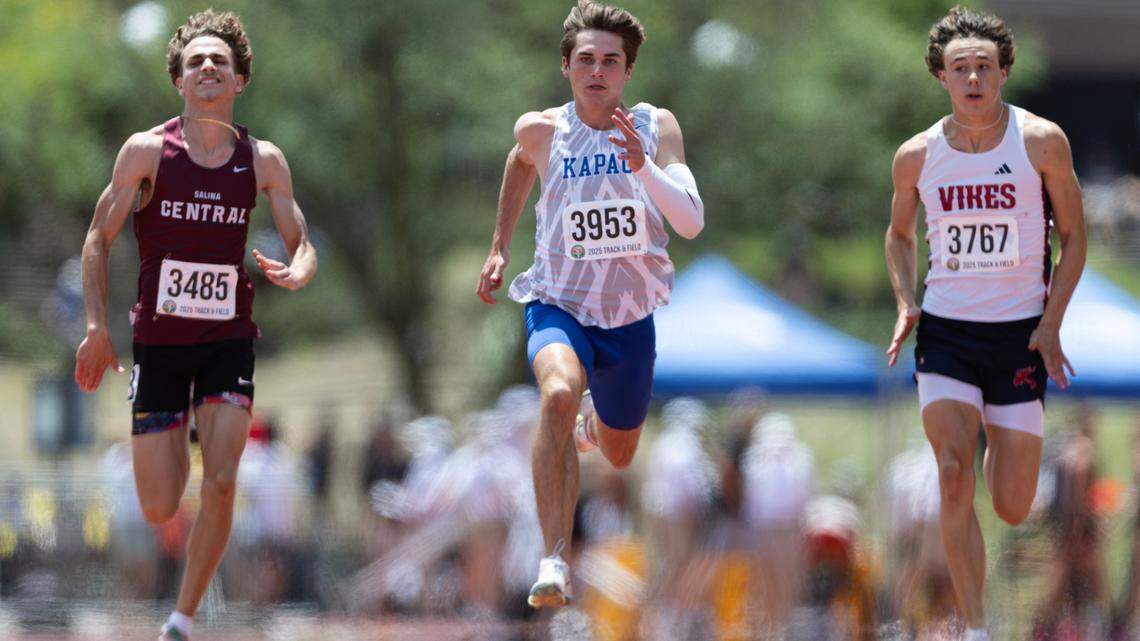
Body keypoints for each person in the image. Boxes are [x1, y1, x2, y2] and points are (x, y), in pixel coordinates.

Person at [73, 10, 317, 640]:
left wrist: (299, 269)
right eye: (195, 62)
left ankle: (181, 618)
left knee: (226, 477)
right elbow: (97, 240)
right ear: (178, 81)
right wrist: (96, 327)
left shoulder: (262, 160)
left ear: (239, 81)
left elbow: (302, 240)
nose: (208, 68)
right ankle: (176, 432)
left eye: (220, 62)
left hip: (226, 340)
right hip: (158, 346)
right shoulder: (148, 151)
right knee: (158, 504)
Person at [475, 0, 705, 608]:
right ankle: (553, 556)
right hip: (559, 302)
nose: (597, 71)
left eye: (610, 61)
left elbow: (691, 222)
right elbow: (520, 161)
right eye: (585, 60)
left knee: (621, 453)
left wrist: (644, 166)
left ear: (628, 72)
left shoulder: (657, 127)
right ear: (566, 67)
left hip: (629, 317)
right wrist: (500, 246)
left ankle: (589, 428)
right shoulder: (541, 130)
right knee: (554, 393)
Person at [884, 7, 1086, 640]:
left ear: (1002, 74)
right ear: (941, 77)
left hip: (1019, 335)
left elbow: (1076, 239)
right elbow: (897, 235)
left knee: (1012, 504)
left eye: (984, 67)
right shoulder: (917, 155)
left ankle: (1005, 436)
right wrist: (902, 300)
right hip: (946, 331)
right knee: (950, 474)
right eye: (959, 68)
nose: (972, 78)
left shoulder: (1040, 142)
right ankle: (975, 628)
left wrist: (1051, 324)